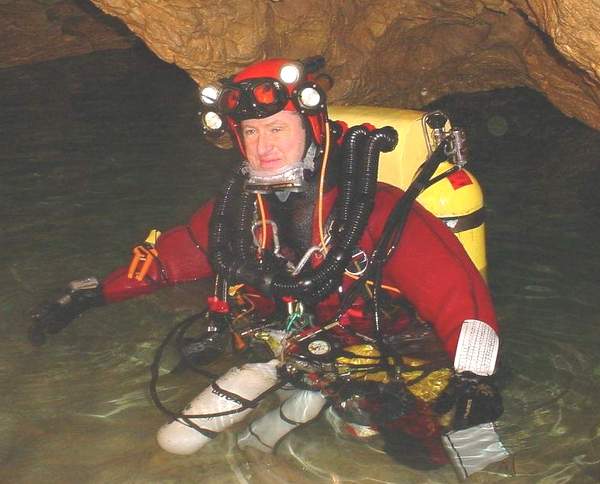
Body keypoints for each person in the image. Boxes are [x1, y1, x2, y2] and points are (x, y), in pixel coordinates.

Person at [30, 57, 506, 476]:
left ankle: (483, 465)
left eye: (277, 128)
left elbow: (459, 295)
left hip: (392, 356)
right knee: (175, 442)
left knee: (431, 457)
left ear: (311, 129)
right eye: (251, 132)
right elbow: (169, 260)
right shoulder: (236, 212)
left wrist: (474, 379)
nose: (263, 147)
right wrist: (92, 294)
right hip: (294, 345)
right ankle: (267, 439)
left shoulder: (378, 211)